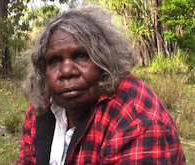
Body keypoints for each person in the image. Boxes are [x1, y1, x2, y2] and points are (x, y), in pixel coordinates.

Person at [15, 5, 186, 165]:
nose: (66, 71)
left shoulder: (137, 119)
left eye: (81, 55)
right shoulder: (44, 105)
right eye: (54, 60)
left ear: (104, 60)